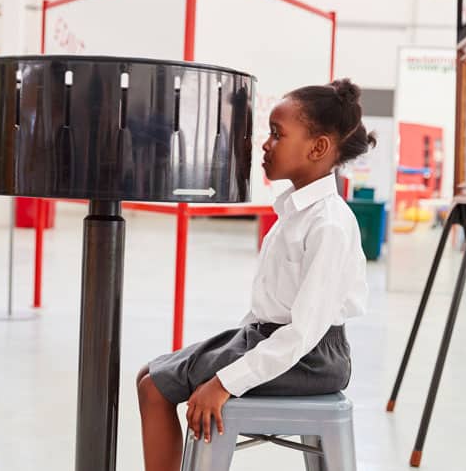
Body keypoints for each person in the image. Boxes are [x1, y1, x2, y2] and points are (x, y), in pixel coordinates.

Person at [136, 78, 377, 471]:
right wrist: (229, 350)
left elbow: (303, 331)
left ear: (317, 148)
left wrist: (224, 382)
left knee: (154, 389)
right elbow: (268, 309)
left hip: (312, 358)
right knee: (151, 374)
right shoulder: (292, 213)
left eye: (278, 135)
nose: (265, 144)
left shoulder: (329, 224)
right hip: (272, 339)